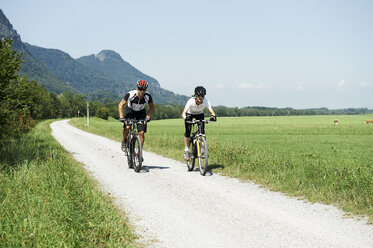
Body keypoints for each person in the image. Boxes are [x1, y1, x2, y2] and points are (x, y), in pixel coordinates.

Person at [118, 79, 154, 151]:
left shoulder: (148, 96)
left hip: (141, 112)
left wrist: (148, 116)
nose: (142, 91)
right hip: (130, 110)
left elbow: (152, 106)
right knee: (127, 127)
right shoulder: (130, 94)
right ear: (137, 88)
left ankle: (139, 153)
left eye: (144, 89)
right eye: (140, 89)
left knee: (141, 133)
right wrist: (121, 117)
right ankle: (124, 140)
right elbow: (120, 104)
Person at [181, 86, 216, 160]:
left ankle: (203, 151)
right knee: (188, 131)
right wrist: (186, 118)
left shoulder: (206, 101)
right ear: (196, 96)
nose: (201, 98)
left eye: (203, 96)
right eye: (200, 96)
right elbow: (183, 113)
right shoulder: (190, 101)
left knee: (202, 133)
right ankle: (186, 150)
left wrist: (213, 116)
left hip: (200, 114)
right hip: (190, 114)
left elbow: (211, 111)